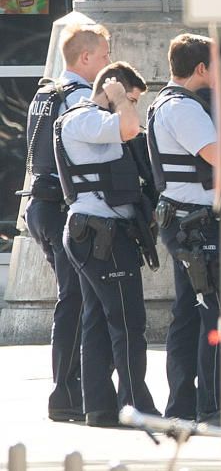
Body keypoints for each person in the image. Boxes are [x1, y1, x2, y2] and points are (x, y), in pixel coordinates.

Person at [53, 61, 158, 426]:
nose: (133, 108)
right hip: (100, 234)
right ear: (113, 89)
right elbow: (128, 126)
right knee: (128, 323)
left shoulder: (96, 124)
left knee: (98, 321)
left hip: (100, 232)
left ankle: (99, 407)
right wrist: (117, 97)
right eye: (131, 99)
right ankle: (136, 407)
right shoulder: (86, 119)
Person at [23, 24, 111, 421]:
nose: (108, 64)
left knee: (71, 298)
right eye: (105, 55)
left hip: (39, 205)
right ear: (85, 58)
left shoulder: (44, 93)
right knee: (75, 301)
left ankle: (67, 392)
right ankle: (66, 394)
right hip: (62, 208)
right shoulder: (77, 97)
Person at [146, 33, 221, 422]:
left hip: (184, 221)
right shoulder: (184, 109)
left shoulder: (168, 103)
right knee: (213, 314)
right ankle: (211, 407)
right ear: (201, 69)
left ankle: (183, 405)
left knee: (190, 313)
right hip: (198, 224)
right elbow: (217, 157)